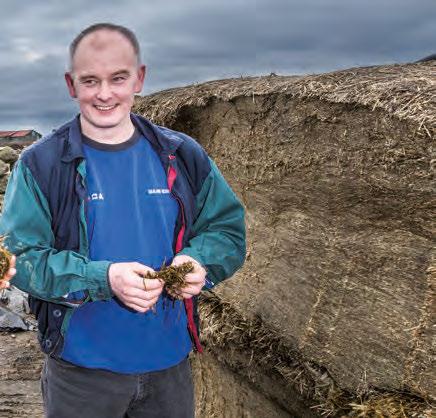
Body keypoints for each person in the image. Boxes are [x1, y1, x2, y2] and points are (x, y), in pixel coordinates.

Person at [0, 23, 246, 418]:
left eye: (118, 78)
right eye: (90, 80)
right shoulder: (40, 164)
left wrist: (200, 261)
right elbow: (16, 260)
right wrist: (105, 277)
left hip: (169, 369)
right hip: (82, 374)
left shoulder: (183, 155)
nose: (104, 94)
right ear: (70, 84)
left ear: (139, 79)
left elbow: (227, 232)